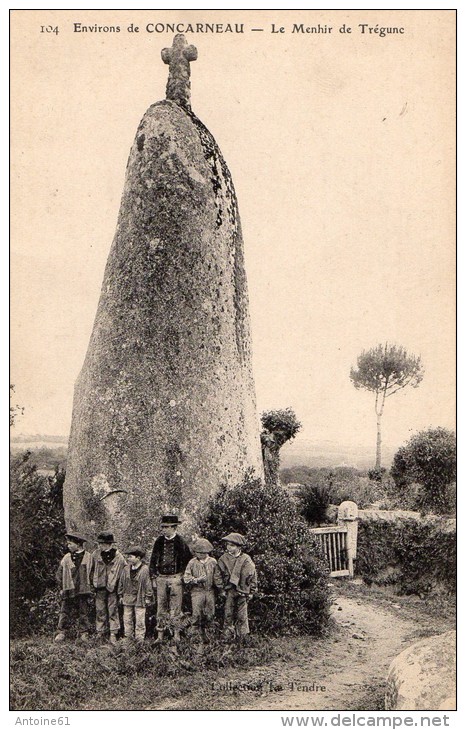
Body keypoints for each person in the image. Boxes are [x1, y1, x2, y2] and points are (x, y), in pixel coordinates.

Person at [149, 515, 191, 643]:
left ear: (174, 527)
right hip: (161, 578)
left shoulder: (181, 542)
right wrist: (154, 576)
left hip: (175, 578)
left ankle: (176, 634)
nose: (164, 530)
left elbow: (188, 561)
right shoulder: (159, 541)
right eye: (162, 527)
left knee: (176, 608)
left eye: (166, 527)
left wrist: (182, 576)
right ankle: (160, 635)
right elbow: (152, 560)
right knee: (161, 607)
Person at [214, 532, 257, 640]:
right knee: (228, 613)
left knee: (242, 615)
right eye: (228, 545)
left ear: (239, 547)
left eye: (232, 545)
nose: (229, 547)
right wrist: (221, 589)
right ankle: (227, 636)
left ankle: (242, 637)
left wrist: (252, 590)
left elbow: (253, 575)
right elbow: (217, 575)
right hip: (230, 590)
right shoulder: (223, 559)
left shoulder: (246, 559)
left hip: (243, 590)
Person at [55, 531, 93, 642]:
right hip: (68, 589)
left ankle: (83, 633)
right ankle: (61, 632)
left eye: (70, 544)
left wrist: (91, 587)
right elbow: (59, 574)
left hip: (83, 589)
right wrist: (61, 587)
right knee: (65, 611)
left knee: (83, 612)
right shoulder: (66, 558)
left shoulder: (89, 557)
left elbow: (92, 573)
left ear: (78, 544)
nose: (68, 546)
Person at [90, 531, 126, 644]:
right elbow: (90, 570)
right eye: (99, 543)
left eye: (103, 544)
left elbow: (124, 572)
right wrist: (93, 583)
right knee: (100, 610)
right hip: (99, 587)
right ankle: (100, 632)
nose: (100, 546)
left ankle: (113, 633)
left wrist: (120, 587)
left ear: (109, 544)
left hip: (112, 588)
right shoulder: (95, 555)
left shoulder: (118, 557)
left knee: (113, 610)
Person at [183, 538, 217, 641]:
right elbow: (186, 578)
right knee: (196, 614)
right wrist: (197, 580)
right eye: (197, 552)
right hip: (197, 592)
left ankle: (209, 637)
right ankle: (195, 637)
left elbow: (218, 577)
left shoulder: (213, 562)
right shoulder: (192, 562)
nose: (199, 554)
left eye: (201, 553)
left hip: (210, 591)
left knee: (210, 614)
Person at [118, 545, 153, 643]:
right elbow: (121, 582)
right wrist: (120, 595)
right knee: (127, 618)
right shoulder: (126, 569)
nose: (128, 559)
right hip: (127, 597)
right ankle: (128, 637)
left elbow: (147, 584)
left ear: (138, 558)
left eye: (130, 556)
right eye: (127, 556)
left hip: (140, 598)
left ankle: (139, 639)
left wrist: (148, 596)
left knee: (140, 619)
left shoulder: (145, 569)